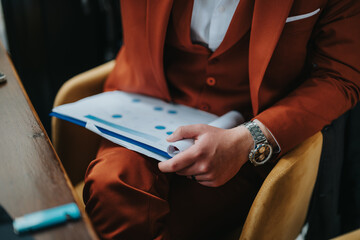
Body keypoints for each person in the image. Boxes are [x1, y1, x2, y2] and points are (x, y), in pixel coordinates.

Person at [83, 0, 360, 239]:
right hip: (149, 107)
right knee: (110, 188)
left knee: (144, 220)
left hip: (245, 140)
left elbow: (339, 76)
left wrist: (249, 139)